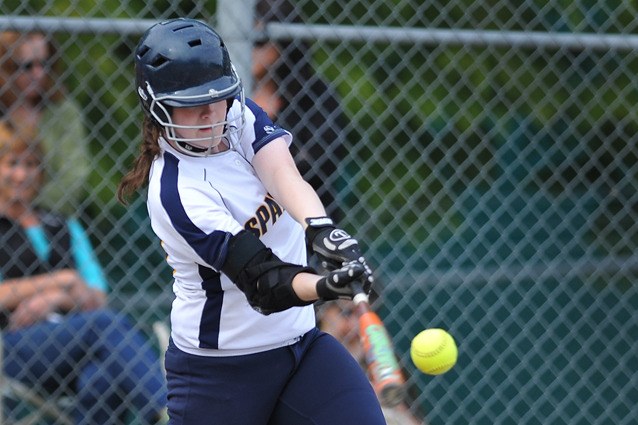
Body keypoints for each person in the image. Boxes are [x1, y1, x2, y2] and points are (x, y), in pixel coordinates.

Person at [117, 18, 384, 425]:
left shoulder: (238, 117)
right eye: (191, 103)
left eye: (217, 96)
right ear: (158, 106)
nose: (209, 112)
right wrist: (327, 286)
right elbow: (265, 283)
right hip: (221, 377)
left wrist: (323, 230)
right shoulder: (177, 193)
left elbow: (284, 175)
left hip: (300, 350)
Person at [0, 121, 167, 424]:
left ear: (42, 174)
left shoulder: (62, 224)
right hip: (13, 347)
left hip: (74, 342)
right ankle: (168, 412)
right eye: (12, 164)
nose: (22, 175)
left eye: (31, 165)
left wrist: (55, 301)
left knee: (102, 377)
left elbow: (96, 297)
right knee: (105, 325)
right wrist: (64, 282)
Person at [252, 0, 348, 220]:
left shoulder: (315, 96)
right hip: (246, 222)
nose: (249, 49)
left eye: (259, 42)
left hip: (303, 220)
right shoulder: (228, 99)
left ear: (283, 45)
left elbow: (317, 162)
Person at [0, 31, 90, 216]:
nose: (38, 73)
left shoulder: (63, 111)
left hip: (51, 218)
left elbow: (73, 176)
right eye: (27, 66)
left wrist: (25, 209)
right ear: (7, 67)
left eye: (45, 64)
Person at [317, 300, 427, 425]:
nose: (355, 325)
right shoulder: (307, 361)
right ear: (323, 312)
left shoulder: (384, 363)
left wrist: (389, 398)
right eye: (346, 313)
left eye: (361, 315)